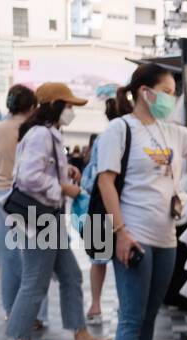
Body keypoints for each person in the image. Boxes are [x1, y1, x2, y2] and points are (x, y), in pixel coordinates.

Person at [95, 63, 187, 340]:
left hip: (165, 237)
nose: (171, 98)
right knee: (131, 316)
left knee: (148, 315)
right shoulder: (119, 129)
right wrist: (120, 233)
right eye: (168, 91)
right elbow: (105, 182)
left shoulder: (171, 132)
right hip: (135, 236)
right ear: (146, 92)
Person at [5, 82, 111, 340]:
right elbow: (28, 178)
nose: (71, 111)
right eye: (68, 106)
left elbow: (38, 172)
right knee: (35, 283)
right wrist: (63, 188)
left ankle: (80, 335)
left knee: (71, 276)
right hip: (40, 219)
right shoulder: (41, 134)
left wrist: (65, 173)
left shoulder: (46, 133)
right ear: (54, 106)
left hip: (47, 219)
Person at [0, 84, 48, 328]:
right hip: (29, 196)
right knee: (34, 259)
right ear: (32, 107)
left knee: (8, 258)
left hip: (1, 196)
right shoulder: (36, 130)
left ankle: (10, 309)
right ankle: (35, 314)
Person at [74, 98, 122, 325]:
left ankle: (95, 305)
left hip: (97, 206)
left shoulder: (102, 139)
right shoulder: (126, 135)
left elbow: (89, 177)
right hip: (120, 206)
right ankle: (125, 303)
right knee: (124, 260)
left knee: (98, 260)